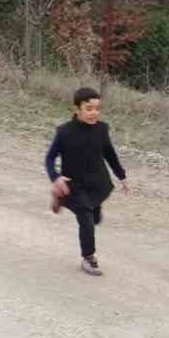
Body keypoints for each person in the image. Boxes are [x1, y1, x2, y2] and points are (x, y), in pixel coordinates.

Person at [46, 87, 130, 276]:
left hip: (97, 182)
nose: (94, 113)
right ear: (77, 109)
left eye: (97, 108)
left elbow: (109, 153)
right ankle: (89, 258)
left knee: (95, 219)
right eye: (89, 108)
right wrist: (55, 177)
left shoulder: (102, 129)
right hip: (74, 185)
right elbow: (49, 158)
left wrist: (121, 176)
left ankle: (60, 198)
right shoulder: (64, 132)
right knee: (86, 219)